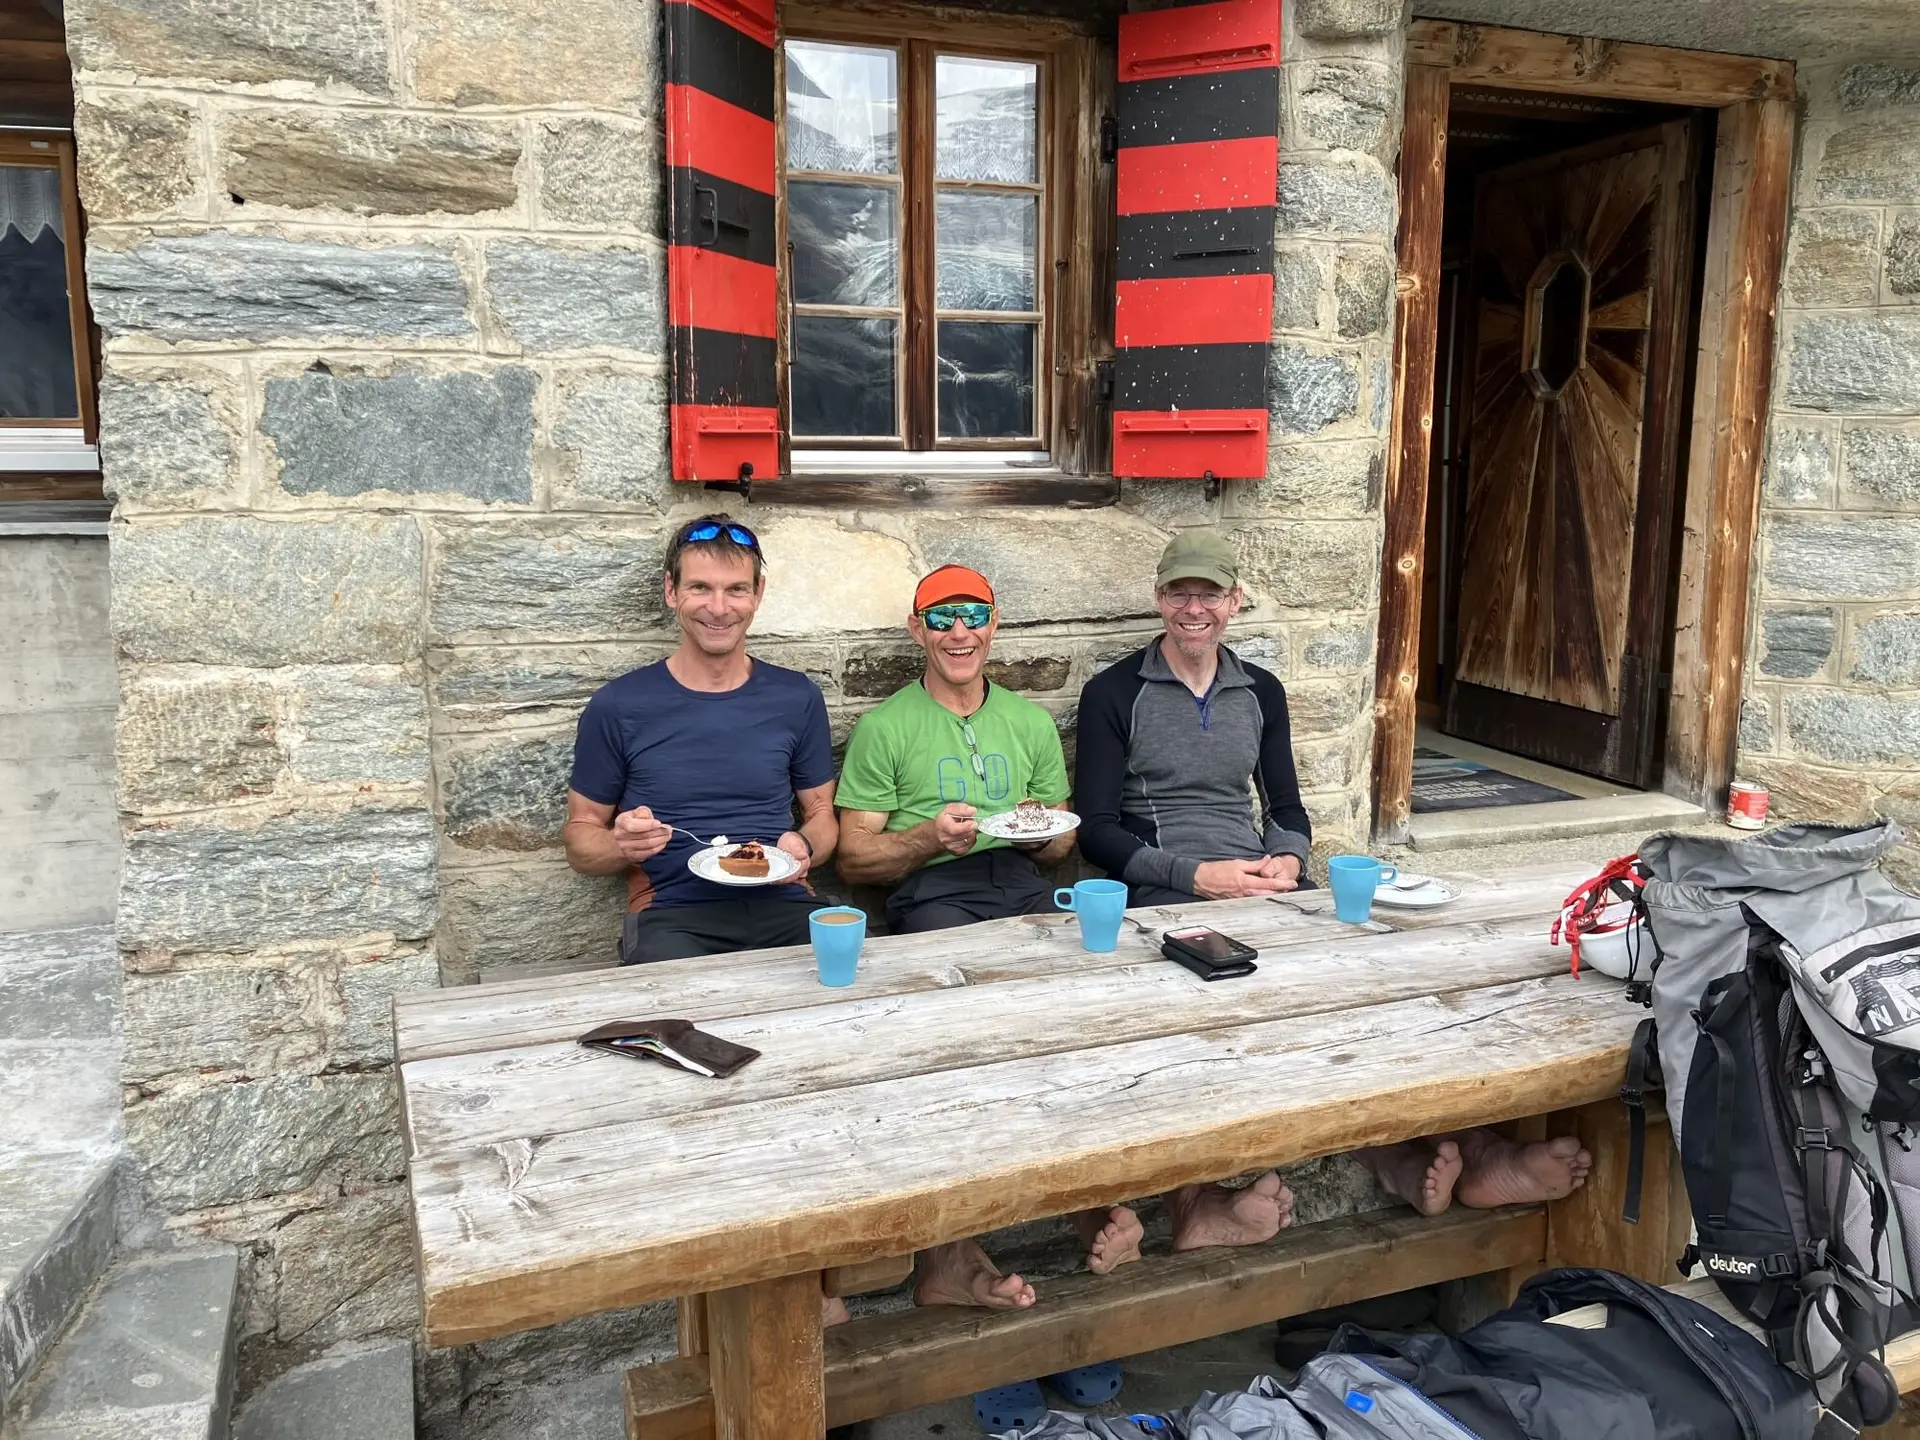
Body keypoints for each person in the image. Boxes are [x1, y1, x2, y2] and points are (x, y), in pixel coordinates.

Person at [1076, 528, 1593, 1219]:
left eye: (1209, 593)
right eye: (1179, 592)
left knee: (1380, 978)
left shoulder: (1259, 689)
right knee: (1249, 1005)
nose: (1193, 608)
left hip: (1262, 882)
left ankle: (1459, 1145)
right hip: (1170, 892)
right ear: (1158, 598)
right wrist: (1204, 878)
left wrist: (1287, 858)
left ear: (1235, 601)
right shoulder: (1114, 692)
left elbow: (1286, 807)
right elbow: (1100, 831)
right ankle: (1376, 1161)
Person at [562, 514, 839, 966]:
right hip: (671, 913)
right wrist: (620, 845)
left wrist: (805, 847)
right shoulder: (618, 705)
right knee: (680, 1019)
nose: (719, 607)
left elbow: (822, 815)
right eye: (700, 588)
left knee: (848, 994)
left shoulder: (796, 697)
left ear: (758, 595)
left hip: (784, 903)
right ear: (672, 591)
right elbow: (579, 839)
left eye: (735, 589)